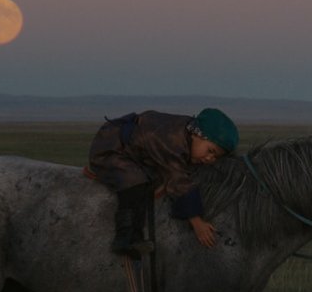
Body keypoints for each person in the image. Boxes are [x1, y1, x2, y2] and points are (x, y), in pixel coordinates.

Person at [86, 108, 239, 257]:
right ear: (197, 134)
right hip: (112, 148)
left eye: (215, 157)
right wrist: (197, 221)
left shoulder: (187, 134)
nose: (210, 159)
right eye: (210, 151)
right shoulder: (172, 142)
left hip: (133, 148)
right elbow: (178, 180)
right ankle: (125, 238)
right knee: (135, 181)